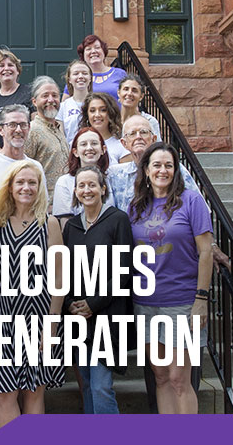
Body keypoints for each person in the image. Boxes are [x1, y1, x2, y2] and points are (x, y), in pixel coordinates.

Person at [128, 142, 213, 414]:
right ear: (146, 170)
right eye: (157, 165)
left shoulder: (191, 201)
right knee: (161, 376)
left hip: (182, 301)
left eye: (169, 165)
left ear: (176, 170)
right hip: (145, 301)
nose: (162, 170)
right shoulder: (137, 206)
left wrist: (202, 298)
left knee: (179, 378)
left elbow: (206, 252)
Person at [0, 160, 65, 428]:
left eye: (32, 182)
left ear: (40, 187)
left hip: (39, 318)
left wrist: (52, 324)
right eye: (20, 182)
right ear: (9, 187)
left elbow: (58, 278)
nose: (26, 187)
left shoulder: (49, 223)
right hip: (5, 317)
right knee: (4, 392)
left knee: (33, 391)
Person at [62, 166, 133, 414]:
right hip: (78, 318)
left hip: (107, 314)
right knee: (88, 384)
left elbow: (124, 271)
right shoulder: (71, 226)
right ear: (75, 191)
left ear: (103, 189)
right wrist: (69, 302)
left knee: (102, 386)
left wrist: (94, 304)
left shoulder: (117, 220)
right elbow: (65, 270)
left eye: (92, 184)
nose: (86, 190)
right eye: (81, 185)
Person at [0, 49, 34, 153]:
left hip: (22, 155)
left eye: (10, 65)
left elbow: (35, 128)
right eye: (1, 66)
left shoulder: (29, 94)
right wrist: (1, 153)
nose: (6, 68)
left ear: (18, 70)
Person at [24, 76, 69, 203]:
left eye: (55, 95)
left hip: (65, 202)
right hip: (44, 205)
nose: (51, 100)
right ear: (34, 102)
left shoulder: (59, 129)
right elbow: (24, 170)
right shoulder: (31, 131)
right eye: (45, 96)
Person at [52, 127, 112, 218]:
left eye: (94, 143)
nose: (89, 148)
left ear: (103, 149)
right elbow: (65, 223)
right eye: (83, 144)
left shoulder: (112, 177)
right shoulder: (64, 182)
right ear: (75, 152)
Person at [62, 34, 126, 102]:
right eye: (88, 49)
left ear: (104, 51)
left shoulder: (120, 74)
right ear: (83, 55)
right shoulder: (77, 77)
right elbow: (64, 104)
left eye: (97, 47)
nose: (93, 51)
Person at [80, 92, 131, 165]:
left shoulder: (122, 147)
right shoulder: (79, 144)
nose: (97, 115)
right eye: (92, 111)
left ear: (110, 113)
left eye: (103, 110)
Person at [56, 60, 92, 147]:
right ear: (69, 80)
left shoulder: (98, 103)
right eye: (76, 73)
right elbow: (61, 137)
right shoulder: (63, 107)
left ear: (90, 78)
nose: (80, 76)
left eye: (84, 73)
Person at [118, 74, 161, 141]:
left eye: (134, 90)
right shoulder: (111, 120)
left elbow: (157, 148)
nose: (129, 93)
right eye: (126, 89)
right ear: (119, 93)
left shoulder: (150, 121)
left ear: (141, 96)